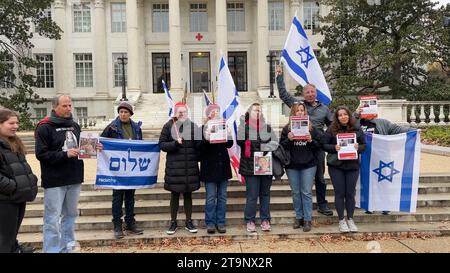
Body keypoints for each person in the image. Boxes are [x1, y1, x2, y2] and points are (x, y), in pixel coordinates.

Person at [276, 65, 334, 217]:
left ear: (316, 93)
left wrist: (324, 139)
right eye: (307, 92)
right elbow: (283, 94)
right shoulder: (298, 106)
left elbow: (333, 126)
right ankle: (301, 213)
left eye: (312, 92)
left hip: (316, 147)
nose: (309, 94)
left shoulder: (324, 109)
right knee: (301, 186)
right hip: (300, 148)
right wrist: (279, 76)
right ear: (303, 94)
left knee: (320, 178)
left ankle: (322, 204)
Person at [35, 95, 85, 253]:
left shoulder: (75, 126)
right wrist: (65, 154)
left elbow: (80, 148)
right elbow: (41, 154)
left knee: (70, 216)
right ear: (55, 107)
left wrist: (91, 149)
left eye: (70, 105)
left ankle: (67, 247)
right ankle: (51, 250)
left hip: (74, 177)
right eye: (65, 106)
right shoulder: (44, 127)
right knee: (52, 219)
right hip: (55, 180)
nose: (69, 109)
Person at [354, 104, 413, 215]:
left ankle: (385, 205)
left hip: (382, 157)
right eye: (364, 109)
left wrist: (414, 130)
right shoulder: (357, 123)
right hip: (364, 158)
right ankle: (369, 206)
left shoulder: (382, 122)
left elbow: (397, 129)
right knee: (366, 182)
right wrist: (356, 113)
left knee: (383, 181)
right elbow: (348, 126)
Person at [100, 101, 144, 239]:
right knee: (117, 197)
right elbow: (101, 141)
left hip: (131, 168)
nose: (123, 114)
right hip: (117, 169)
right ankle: (117, 225)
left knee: (130, 196)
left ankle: (130, 222)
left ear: (130, 114)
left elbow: (140, 145)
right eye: (121, 112)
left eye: (126, 112)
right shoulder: (112, 127)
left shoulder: (136, 128)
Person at [159, 102, 202, 235]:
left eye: (184, 111)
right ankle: (173, 221)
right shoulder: (168, 126)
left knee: (188, 195)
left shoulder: (193, 127)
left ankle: (189, 221)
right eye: (180, 112)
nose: (182, 113)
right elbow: (162, 144)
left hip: (189, 167)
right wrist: (174, 144)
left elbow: (199, 146)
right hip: (174, 168)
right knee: (175, 195)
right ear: (175, 113)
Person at [321, 106, 366, 233]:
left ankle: (350, 219)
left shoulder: (357, 128)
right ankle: (341, 220)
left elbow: (364, 145)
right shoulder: (331, 129)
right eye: (340, 115)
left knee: (350, 194)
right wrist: (333, 148)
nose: (343, 117)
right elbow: (323, 144)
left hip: (352, 165)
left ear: (349, 115)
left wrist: (358, 147)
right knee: (340, 193)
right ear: (337, 117)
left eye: (345, 114)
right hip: (336, 166)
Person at [0, 109, 38, 253]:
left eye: (17, 122)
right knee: (4, 239)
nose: (16, 126)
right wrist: (12, 187)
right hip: (5, 200)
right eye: (11, 123)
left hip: (17, 198)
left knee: (11, 237)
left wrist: (31, 181)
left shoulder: (14, 142)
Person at [280, 102, 321, 232]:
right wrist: (289, 139)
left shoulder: (311, 128)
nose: (300, 113)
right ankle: (299, 217)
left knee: (306, 192)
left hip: (308, 164)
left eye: (302, 110)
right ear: (293, 113)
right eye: (297, 111)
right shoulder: (287, 128)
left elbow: (318, 145)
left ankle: (308, 219)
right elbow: (281, 146)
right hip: (292, 165)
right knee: (296, 193)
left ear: (305, 112)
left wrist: (310, 141)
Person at [237, 103, 278, 233]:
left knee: (265, 194)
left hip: (265, 165)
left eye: (259, 110)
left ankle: (265, 219)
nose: (258, 112)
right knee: (252, 195)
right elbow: (239, 142)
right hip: (250, 167)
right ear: (249, 112)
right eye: (255, 110)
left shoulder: (267, 127)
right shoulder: (244, 127)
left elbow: (275, 143)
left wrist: (264, 148)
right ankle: (250, 220)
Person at [200, 104, 233, 234]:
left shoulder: (224, 125)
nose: (216, 113)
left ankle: (221, 222)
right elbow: (199, 148)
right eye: (213, 111)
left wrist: (228, 135)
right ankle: (210, 222)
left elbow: (229, 145)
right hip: (209, 168)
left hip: (223, 166)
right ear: (208, 114)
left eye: (218, 111)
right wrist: (207, 138)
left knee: (222, 196)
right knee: (210, 197)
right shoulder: (203, 128)